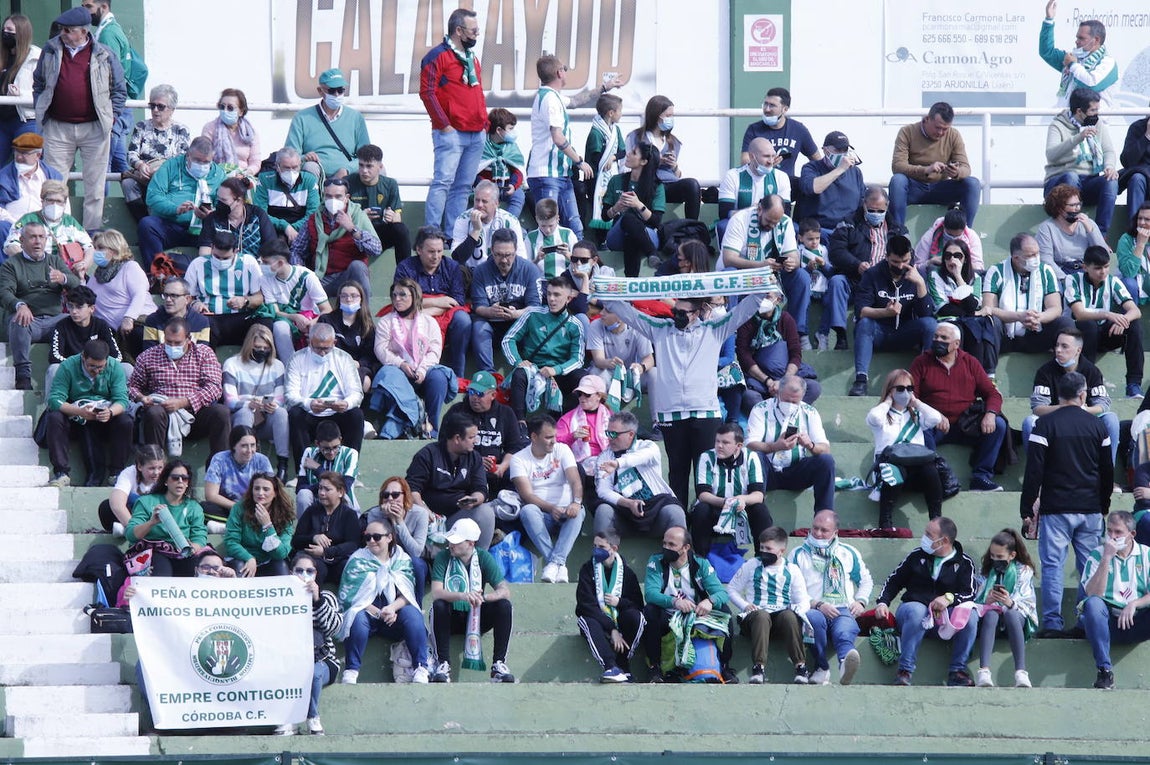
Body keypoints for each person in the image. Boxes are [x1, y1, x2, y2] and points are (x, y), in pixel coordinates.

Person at [604, 287, 764, 506]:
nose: (677, 316)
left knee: (706, 473)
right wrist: (606, 292)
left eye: (684, 313)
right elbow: (630, 315)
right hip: (671, 415)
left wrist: (764, 287)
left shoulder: (714, 328)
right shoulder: (660, 328)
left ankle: (702, 524)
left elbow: (742, 312)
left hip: (705, 413)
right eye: (676, 311)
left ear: (697, 313)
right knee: (677, 475)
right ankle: (678, 527)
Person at [1020, 372, 1112, 637]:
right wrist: (1103, 504)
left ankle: (1052, 623)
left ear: (1058, 395)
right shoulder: (1097, 425)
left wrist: (1027, 509)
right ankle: (1085, 623)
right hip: (1091, 508)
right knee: (1089, 567)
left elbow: (1033, 472)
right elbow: (1107, 471)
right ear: (1083, 394)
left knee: (1052, 566)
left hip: (1056, 509)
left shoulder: (1045, 424)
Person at [31, 7, 125, 231]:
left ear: (83, 31)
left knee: (95, 183)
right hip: (57, 127)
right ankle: (54, 231)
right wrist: (41, 108)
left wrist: (112, 119)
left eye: (68, 30)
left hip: (94, 127)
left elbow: (119, 91)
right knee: (54, 183)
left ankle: (91, 233)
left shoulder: (105, 54)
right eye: (62, 29)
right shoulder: (51, 49)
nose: (62, 33)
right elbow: (39, 83)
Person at [875, 517, 979, 686]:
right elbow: (894, 580)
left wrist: (948, 598)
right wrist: (883, 602)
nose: (923, 537)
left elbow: (970, 593)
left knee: (971, 616)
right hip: (912, 614)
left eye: (928, 535)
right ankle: (904, 671)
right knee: (917, 611)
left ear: (944, 540)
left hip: (944, 621)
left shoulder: (965, 563)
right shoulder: (916, 556)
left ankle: (958, 671)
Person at [911, 322, 1007, 493]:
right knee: (919, 429)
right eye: (936, 337)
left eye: (944, 338)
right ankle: (935, 477)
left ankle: (981, 477)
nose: (937, 340)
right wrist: (934, 415)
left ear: (956, 344)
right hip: (934, 424)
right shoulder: (921, 362)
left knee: (999, 425)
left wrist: (990, 414)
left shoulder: (970, 362)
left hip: (965, 423)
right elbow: (911, 397)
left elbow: (993, 394)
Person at [527, 55, 617, 237]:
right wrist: (579, 162)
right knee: (549, 227)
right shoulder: (550, 100)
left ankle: (580, 262)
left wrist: (604, 87)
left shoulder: (553, 97)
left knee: (575, 225)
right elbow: (558, 138)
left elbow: (576, 101)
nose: (566, 72)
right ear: (559, 72)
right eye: (564, 69)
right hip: (546, 174)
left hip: (559, 174)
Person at [419, 7, 487, 231]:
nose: (477, 34)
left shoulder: (471, 58)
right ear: (459, 30)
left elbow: (476, 92)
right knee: (442, 183)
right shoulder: (437, 56)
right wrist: (444, 125)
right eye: (473, 31)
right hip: (451, 132)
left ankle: (452, 233)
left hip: (476, 132)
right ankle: (432, 232)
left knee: (463, 187)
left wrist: (484, 122)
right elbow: (427, 93)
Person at [338, 518, 430, 685]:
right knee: (356, 616)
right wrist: (379, 612)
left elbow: (408, 594)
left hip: (394, 617)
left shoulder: (402, 559)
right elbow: (351, 599)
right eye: (367, 537)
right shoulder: (357, 560)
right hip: (370, 615)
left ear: (389, 537)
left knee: (413, 614)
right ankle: (351, 671)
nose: (371, 541)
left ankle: (421, 668)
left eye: (376, 537)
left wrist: (392, 608)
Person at [428, 518, 516, 686]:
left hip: (476, 616)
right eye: (450, 540)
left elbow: (504, 590)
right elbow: (436, 592)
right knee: (438, 605)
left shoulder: (483, 557)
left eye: (456, 541)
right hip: (451, 616)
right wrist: (463, 595)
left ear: (470, 543)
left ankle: (499, 665)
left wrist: (484, 598)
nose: (451, 545)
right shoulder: (443, 557)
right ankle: (443, 664)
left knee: (504, 606)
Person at [848, 235, 937, 397]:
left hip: (905, 331)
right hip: (879, 332)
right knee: (864, 323)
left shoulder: (917, 276)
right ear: (887, 257)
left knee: (930, 325)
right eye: (895, 262)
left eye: (906, 261)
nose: (901, 266)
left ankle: (926, 380)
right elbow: (861, 311)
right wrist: (885, 312)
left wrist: (920, 285)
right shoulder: (872, 274)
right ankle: (861, 381)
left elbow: (927, 314)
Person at [642, 525, 733, 682]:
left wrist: (710, 601)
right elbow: (650, 594)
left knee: (725, 611)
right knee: (650, 611)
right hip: (668, 616)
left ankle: (724, 667)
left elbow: (722, 593)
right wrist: (674, 602)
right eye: (664, 543)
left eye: (671, 545)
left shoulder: (700, 564)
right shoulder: (655, 561)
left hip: (696, 616)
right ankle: (654, 668)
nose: (666, 548)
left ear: (686, 547)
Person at [789, 510, 870, 686]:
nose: (818, 533)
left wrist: (861, 601)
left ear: (835, 532)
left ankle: (845, 665)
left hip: (842, 608)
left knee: (844, 631)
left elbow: (865, 580)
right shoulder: (798, 554)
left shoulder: (848, 552)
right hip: (811, 607)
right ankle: (821, 667)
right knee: (813, 619)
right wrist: (818, 604)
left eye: (824, 530)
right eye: (815, 528)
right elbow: (791, 590)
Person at [1020, 328, 1120, 468]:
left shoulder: (1092, 371)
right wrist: (1066, 408)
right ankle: (1039, 480)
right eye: (1057, 345)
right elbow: (1038, 408)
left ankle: (1107, 478)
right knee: (1029, 422)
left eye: (1064, 346)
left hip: (1085, 423)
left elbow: (1102, 405)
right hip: (1054, 423)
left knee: (1111, 419)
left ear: (1078, 350)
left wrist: (1080, 410)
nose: (1058, 350)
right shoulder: (1045, 372)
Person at [823, 187, 908, 351]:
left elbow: (908, 254)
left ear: (888, 206)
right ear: (863, 204)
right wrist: (857, 264)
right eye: (871, 210)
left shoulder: (899, 230)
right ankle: (840, 334)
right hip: (853, 279)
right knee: (836, 282)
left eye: (880, 210)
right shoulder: (847, 223)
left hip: (882, 283)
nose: (876, 213)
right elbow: (836, 252)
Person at [129, 317, 229, 456]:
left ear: (189, 339)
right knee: (154, 413)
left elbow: (214, 387)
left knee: (221, 412)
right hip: (162, 413)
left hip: (195, 413)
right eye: (169, 342)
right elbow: (132, 386)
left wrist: (184, 402)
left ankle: (219, 466)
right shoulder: (148, 356)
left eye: (177, 343)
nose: (172, 346)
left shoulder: (204, 353)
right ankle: (155, 465)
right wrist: (141, 398)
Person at [370, 278, 456, 438]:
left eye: (403, 295)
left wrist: (422, 370)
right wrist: (401, 364)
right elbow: (381, 349)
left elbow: (434, 350)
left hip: (423, 373)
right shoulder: (385, 322)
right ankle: (416, 421)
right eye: (394, 295)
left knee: (439, 377)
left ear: (415, 297)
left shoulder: (429, 322)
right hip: (399, 373)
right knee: (389, 373)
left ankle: (431, 430)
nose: (397, 299)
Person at [720, 195, 810, 345]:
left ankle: (798, 333)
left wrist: (791, 263)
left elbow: (794, 256)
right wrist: (760, 265)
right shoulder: (740, 219)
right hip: (744, 275)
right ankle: (730, 334)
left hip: (774, 276)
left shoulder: (785, 222)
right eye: (769, 221)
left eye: (776, 223)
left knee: (802, 276)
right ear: (760, 209)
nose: (772, 226)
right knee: (729, 271)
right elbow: (728, 259)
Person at [42, 338, 131, 488]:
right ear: (83, 357)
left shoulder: (115, 367)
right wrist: (78, 411)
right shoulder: (68, 366)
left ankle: (116, 473)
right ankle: (61, 473)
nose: (96, 371)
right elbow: (55, 400)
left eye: (101, 367)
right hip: (75, 415)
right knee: (54, 417)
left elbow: (122, 400)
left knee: (125, 421)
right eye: (92, 366)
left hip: (104, 415)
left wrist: (110, 412)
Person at [982, 233, 1072, 380]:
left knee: (1065, 323)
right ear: (1016, 258)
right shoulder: (996, 271)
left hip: (1035, 333)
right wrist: (1019, 317)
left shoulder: (1046, 271)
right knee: (990, 321)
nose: (1036, 258)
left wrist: (1038, 317)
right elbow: (988, 308)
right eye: (1031, 255)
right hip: (1005, 335)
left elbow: (1055, 308)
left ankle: (1068, 375)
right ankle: (989, 377)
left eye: (1038, 253)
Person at [727, 526, 811, 685]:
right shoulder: (751, 565)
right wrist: (744, 605)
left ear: (782, 551)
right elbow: (732, 589)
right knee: (762, 615)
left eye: (768, 548)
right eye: (761, 547)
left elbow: (803, 600)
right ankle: (758, 668)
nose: (763, 551)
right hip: (754, 619)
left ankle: (800, 667)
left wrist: (799, 609)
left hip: (780, 621)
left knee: (789, 615)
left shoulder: (792, 570)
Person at [1, 221, 79, 389]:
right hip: (28, 321)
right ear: (22, 241)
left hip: (54, 321)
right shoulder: (11, 264)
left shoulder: (55, 261)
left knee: (74, 319)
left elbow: (76, 284)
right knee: (19, 319)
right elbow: (4, 292)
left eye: (41, 237)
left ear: (46, 240)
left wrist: (64, 278)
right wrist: (19, 305)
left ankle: (75, 373)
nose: (37, 241)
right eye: (32, 237)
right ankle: (23, 376)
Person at [1080, 511, 1150, 690]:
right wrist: (1106, 559)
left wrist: (1134, 604)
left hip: (1137, 620)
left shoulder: (1146, 554)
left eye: (1118, 532)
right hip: (1107, 622)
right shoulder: (1097, 554)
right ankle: (1104, 671)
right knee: (1093, 604)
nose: (1112, 537)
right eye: (1109, 531)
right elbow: (1093, 593)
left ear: (1131, 534)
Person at [406, 412, 497, 550]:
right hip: (429, 519)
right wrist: (425, 511)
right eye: (471, 437)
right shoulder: (428, 454)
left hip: (458, 517)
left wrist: (473, 500)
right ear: (457, 439)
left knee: (486, 511)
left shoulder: (474, 457)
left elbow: (481, 490)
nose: (475, 441)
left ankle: (478, 560)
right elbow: (412, 489)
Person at [745, 374, 835, 513]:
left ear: (803, 396)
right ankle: (756, 512)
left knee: (826, 461)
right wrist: (775, 446)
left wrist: (810, 445)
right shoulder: (761, 409)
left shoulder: (810, 412)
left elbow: (825, 449)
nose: (790, 405)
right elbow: (750, 444)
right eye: (787, 400)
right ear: (778, 392)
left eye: (795, 402)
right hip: (768, 471)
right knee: (755, 457)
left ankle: (824, 517)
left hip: (796, 470)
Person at [511, 415, 584, 584]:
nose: (553, 441)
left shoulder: (563, 449)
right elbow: (527, 495)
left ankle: (554, 563)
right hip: (542, 514)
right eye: (548, 437)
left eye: (555, 437)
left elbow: (575, 480)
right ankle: (559, 563)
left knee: (579, 511)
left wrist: (576, 502)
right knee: (528, 510)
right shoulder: (519, 459)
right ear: (534, 437)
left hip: (567, 511)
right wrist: (551, 508)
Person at [867, 369, 944, 529]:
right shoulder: (882, 415)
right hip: (890, 469)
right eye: (900, 389)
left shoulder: (916, 414)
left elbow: (936, 418)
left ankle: (936, 521)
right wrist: (888, 401)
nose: (906, 392)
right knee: (894, 471)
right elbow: (874, 417)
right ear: (890, 390)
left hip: (916, 469)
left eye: (909, 388)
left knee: (930, 469)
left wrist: (916, 402)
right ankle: (885, 523)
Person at [501, 277, 585, 422]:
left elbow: (578, 359)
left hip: (558, 371)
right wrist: (518, 361)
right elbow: (508, 339)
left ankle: (562, 421)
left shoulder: (575, 325)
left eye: (557, 295)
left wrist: (556, 370)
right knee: (520, 373)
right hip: (533, 369)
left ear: (568, 298)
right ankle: (519, 423)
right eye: (549, 294)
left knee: (581, 378)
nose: (552, 299)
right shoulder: (532, 314)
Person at [594, 411, 686, 541]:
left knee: (675, 511)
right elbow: (603, 490)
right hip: (624, 512)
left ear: (631, 434)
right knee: (603, 510)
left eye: (614, 434)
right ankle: (604, 558)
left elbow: (640, 457)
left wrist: (618, 463)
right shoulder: (604, 457)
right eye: (608, 433)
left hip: (656, 510)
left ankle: (681, 558)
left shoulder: (648, 446)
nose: (610, 438)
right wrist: (628, 503)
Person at [138, 137, 226, 270]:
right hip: (172, 225)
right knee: (147, 224)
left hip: (203, 231)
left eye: (206, 162)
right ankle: (157, 275)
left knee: (224, 235)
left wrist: (210, 215)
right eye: (197, 160)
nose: (202, 165)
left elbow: (224, 205)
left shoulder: (218, 174)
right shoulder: (171, 166)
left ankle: (211, 276)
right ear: (188, 155)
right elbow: (153, 196)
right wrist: (175, 209)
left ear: (212, 158)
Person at [394, 226, 471, 378]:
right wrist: (440, 302)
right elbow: (402, 298)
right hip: (415, 311)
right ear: (418, 249)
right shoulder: (405, 267)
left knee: (463, 320)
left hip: (443, 311)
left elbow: (458, 300)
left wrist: (428, 308)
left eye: (440, 251)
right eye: (431, 251)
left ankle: (458, 375)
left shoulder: (452, 266)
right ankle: (415, 372)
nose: (436, 256)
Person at [1067, 245, 1144, 398]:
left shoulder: (1113, 281)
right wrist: (1108, 315)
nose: (1103, 272)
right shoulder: (1072, 279)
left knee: (1133, 324)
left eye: (1107, 266)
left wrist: (1123, 320)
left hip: (1104, 335)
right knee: (1089, 325)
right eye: (1097, 268)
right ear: (1085, 267)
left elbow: (1135, 311)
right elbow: (1079, 313)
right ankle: (1086, 384)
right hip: (1079, 337)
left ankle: (1133, 385)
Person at [285, 322, 365, 469]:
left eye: (326, 349)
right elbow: (290, 395)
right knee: (295, 414)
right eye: (317, 348)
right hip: (309, 413)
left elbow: (356, 393)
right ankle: (302, 470)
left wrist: (346, 403)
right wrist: (308, 403)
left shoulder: (344, 359)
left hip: (338, 412)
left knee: (356, 414)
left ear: (334, 343)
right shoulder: (297, 359)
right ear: (309, 342)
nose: (322, 353)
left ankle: (349, 468)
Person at [888, 102, 980, 228]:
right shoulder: (907, 132)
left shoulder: (953, 135)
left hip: (940, 189)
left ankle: (964, 233)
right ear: (927, 119)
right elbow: (897, 166)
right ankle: (898, 232)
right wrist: (926, 169)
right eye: (938, 127)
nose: (941, 133)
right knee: (897, 181)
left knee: (973, 183)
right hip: (914, 188)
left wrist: (956, 172)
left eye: (945, 129)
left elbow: (966, 168)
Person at [290, 176, 381, 301]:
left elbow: (376, 249)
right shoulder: (314, 218)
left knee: (358, 266)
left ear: (346, 198)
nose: (333, 200)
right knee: (301, 286)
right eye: (328, 196)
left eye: (338, 196)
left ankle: (365, 317)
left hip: (348, 278)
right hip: (322, 277)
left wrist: (352, 229)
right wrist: (301, 272)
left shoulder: (358, 216)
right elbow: (297, 250)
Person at [1044, 87, 1118, 236]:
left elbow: (1109, 151)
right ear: (1079, 112)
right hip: (1060, 182)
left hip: (1089, 181)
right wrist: (1078, 137)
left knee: (1111, 181)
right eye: (1092, 110)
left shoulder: (1097, 124)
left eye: (1097, 109)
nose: (1096, 114)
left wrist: (1109, 167)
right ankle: (1070, 230)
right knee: (1071, 176)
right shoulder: (1058, 125)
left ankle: (1099, 235)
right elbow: (1051, 155)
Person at [282, 551, 341, 735]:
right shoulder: (280, 600)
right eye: (299, 570)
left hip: (324, 660)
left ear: (316, 573)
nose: (304, 574)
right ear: (291, 573)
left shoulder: (327, 597)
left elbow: (334, 629)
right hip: (292, 661)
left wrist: (317, 601)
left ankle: (312, 717)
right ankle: (284, 720)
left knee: (313, 674)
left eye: (309, 571)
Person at [689, 423, 769, 558]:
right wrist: (726, 502)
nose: (719, 446)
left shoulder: (751, 457)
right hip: (716, 507)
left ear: (739, 446)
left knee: (760, 510)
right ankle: (700, 560)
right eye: (717, 441)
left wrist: (741, 499)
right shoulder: (706, 457)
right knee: (701, 509)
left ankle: (762, 558)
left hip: (741, 508)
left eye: (725, 442)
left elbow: (758, 495)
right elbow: (703, 494)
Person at [222, 324, 290, 481]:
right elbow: (230, 401)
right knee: (245, 412)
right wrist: (249, 404)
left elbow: (280, 398)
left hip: (266, 419)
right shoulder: (232, 364)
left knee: (281, 412)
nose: (261, 351)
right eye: (257, 347)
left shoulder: (277, 366)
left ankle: (282, 465)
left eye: (266, 348)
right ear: (249, 345)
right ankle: (240, 463)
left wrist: (272, 405)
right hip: (241, 418)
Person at [443, 371, 527, 497]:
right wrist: (474, 461)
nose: (474, 397)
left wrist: (503, 466)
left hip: (497, 468)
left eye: (480, 394)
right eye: (471, 392)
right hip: (464, 467)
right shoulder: (457, 412)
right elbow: (445, 444)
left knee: (517, 471)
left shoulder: (506, 413)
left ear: (493, 395)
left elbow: (514, 447)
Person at [469, 227, 543, 372]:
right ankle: (488, 374)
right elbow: (478, 306)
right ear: (491, 251)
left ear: (516, 250)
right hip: (491, 323)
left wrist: (516, 314)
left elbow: (535, 307)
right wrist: (491, 311)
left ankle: (532, 371)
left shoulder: (530, 269)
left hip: (519, 322)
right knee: (479, 327)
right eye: (499, 255)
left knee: (536, 325)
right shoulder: (481, 270)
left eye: (508, 255)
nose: (503, 260)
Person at [736, 287, 822, 409]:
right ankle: (769, 419)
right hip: (759, 379)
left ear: (778, 299)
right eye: (760, 296)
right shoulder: (747, 321)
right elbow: (744, 356)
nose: (763, 300)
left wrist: (784, 381)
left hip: (786, 375)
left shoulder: (786, 319)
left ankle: (790, 416)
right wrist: (768, 381)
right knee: (749, 396)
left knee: (813, 388)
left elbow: (795, 354)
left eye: (768, 296)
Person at [575, 531, 645, 683]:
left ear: (614, 548)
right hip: (598, 620)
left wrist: (619, 602)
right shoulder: (587, 570)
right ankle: (610, 666)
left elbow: (638, 604)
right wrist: (612, 629)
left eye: (601, 546)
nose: (596, 550)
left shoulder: (627, 573)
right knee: (586, 621)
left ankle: (623, 664)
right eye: (594, 546)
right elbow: (585, 605)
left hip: (620, 620)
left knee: (636, 617)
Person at [972, 529, 1037, 689]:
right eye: (993, 556)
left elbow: (1026, 600)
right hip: (991, 615)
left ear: (1012, 555)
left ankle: (1021, 672)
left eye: (1000, 557)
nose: (995, 560)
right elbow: (974, 597)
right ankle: (984, 671)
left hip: (1016, 614)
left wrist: (1009, 601)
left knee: (1010, 613)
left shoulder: (1023, 570)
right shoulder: (985, 571)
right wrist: (986, 600)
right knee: (992, 613)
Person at [184, 230, 268, 347]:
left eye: (225, 258)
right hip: (210, 318)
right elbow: (186, 297)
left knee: (265, 320)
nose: (220, 261)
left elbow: (259, 297)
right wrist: (195, 304)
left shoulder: (248, 262)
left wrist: (245, 301)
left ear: (236, 251)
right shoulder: (198, 264)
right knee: (199, 321)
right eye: (217, 257)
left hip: (240, 318)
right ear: (212, 247)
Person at [124, 460, 208, 577]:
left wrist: (193, 547)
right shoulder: (146, 502)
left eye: (184, 478)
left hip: (182, 552)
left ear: (188, 482)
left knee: (195, 567)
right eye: (175, 478)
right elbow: (130, 535)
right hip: (153, 552)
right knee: (161, 571)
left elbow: (200, 536)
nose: (180, 481)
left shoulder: (194, 507)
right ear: (166, 481)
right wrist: (151, 522)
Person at [923, 240, 996, 371]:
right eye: (948, 256)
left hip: (968, 321)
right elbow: (943, 308)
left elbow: (972, 304)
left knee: (976, 329)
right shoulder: (935, 275)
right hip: (946, 320)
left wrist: (958, 277)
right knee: (958, 329)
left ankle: (979, 376)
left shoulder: (976, 278)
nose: (952, 259)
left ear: (965, 259)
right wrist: (971, 312)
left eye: (958, 256)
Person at [285, 68, 370, 180]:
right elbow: (290, 155)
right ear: (320, 91)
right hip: (316, 173)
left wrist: (346, 169)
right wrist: (305, 158)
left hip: (348, 176)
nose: (337, 95)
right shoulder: (302, 118)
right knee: (310, 167)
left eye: (341, 90)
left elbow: (366, 155)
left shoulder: (356, 117)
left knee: (378, 171)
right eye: (331, 91)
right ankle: (314, 197)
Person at [625, 95, 699, 222]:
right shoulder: (635, 137)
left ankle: (692, 227)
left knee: (692, 184)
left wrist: (674, 166)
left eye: (672, 116)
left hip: (670, 183)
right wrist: (655, 161)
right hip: (649, 183)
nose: (671, 119)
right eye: (668, 116)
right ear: (656, 115)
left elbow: (677, 174)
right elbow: (627, 164)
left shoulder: (674, 142)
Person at [122, 84, 189, 222]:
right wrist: (140, 165)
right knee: (128, 183)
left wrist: (161, 170)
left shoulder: (181, 130)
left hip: (168, 177)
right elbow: (131, 154)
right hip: (144, 174)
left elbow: (183, 158)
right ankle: (143, 222)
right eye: (152, 106)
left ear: (171, 109)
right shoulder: (141, 126)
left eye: (161, 106)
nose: (155, 110)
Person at [259, 238, 331, 368]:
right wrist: (294, 317)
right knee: (279, 326)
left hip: (311, 320)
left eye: (265, 263)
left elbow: (327, 309)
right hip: (287, 319)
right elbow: (275, 312)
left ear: (280, 263)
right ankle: (291, 368)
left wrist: (311, 323)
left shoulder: (306, 276)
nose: (262, 266)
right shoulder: (265, 279)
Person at [86, 229, 154, 356]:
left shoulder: (130, 267)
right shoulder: (97, 275)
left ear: (114, 250)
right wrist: (79, 277)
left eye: (100, 248)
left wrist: (129, 318)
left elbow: (140, 294)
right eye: (95, 248)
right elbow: (86, 298)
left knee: (138, 335)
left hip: (139, 322)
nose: (96, 252)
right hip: (114, 331)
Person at [3, 179, 92, 275]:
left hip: (65, 275)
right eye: (50, 200)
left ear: (65, 203)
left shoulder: (71, 222)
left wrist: (84, 264)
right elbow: (10, 246)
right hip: (34, 274)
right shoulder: (27, 220)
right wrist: (32, 264)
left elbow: (89, 247)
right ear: (42, 201)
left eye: (59, 201)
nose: (54, 205)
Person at [45, 284, 123, 395]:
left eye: (79, 307)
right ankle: (52, 409)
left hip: (100, 370)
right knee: (53, 369)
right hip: (72, 372)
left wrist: (98, 366)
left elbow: (117, 356)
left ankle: (124, 407)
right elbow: (54, 356)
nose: (74, 311)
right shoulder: (62, 326)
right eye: (70, 306)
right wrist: (83, 366)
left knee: (127, 368)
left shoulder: (101, 325)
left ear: (92, 308)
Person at [363, 477, 429, 604]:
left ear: (405, 496)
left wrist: (399, 521)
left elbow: (416, 551)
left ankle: (417, 605)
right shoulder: (375, 514)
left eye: (395, 495)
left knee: (417, 563)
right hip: (386, 558)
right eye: (386, 495)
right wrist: (388, 520)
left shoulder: (420, 514)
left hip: (410, 559)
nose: (390, 499)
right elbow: (376, 548)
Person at [1039, 1, 1117, 109]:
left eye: (1081, 38)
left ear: (1096, 40)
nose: (1076, 41)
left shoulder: (1108, 62)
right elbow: (1047, 52)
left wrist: (1072, 65)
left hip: (1093, 123)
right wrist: (1049, 20)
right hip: (1066, 121)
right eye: (1077, 37)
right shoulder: (1073, 57)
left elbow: (1092, 86)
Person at [601, 142, 663, 278]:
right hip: (617, 234)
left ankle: (631, 282)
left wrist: (638, 205)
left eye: (634, 152)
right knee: (627, 220)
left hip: (648, 233)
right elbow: (605, 217)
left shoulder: (656, 186)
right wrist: (616, 208)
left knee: (632, 233)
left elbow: (656, 222)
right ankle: (652, 253)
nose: (627, 154)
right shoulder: (616, 180)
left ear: (644, 161)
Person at [291, 471, 361, 585]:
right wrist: (313, 538)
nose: (322, 493)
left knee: (349, 569)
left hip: (339, 559)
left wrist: (326, 552)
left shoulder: (349, 514)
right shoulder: (311, 511)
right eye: (320, 488)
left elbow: (353, 544)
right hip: (314, 560)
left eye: (327, 489)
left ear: (340, 492)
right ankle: (314, 601)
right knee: (315, 568)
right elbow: (295, 541)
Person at [717, 138, 790, 245]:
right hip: (741, 223)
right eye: (766, 156)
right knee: (723, 225)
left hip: (771, 222)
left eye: (773, 156)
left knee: (793, 227)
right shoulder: (733, 176)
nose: (771, 161)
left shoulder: (781, 177)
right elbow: (725, 213)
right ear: (752, 156)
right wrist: (754, 212)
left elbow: (786, 213)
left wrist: (765, 215)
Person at [739, 87, 822, 180]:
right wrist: (763, 165)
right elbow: (744, 161)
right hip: (758, 182)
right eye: (765, 104)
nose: (767, 109)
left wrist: (809, 178)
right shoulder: (754, 129)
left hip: (788, 184)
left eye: (772, 105)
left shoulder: (798, 130)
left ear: (785, 109)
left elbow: (817, 160)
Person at [223, 472, 295, 577]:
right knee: (240, 567)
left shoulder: (284, 513)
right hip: (243, 559)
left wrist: (267, 526)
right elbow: (231, 542)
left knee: (281, 566)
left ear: (275, 493)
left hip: (269, 560)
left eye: (266, 489)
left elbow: (281, 553)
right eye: (256, 488)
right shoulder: (239, 508)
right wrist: (249, 558)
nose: (260, 493)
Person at [201, 425, 274, 527]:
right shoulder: (220, 459)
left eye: (253, 445)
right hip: (229, 507)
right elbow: (211, 495)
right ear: (234, 446)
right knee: (202, 508)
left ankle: (229, 527)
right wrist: (238, 507)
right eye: (244, 446)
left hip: (255, 508)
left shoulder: (262, 461)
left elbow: (271, 491)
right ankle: (238, 526)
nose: (249, 450)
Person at [347, 144, 408, 265]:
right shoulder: (348, 182)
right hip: (355, 232)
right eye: (361, 165)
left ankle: (405, 276)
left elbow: (397, 217)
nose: (364, 170)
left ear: (380, 167)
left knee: (401, 229)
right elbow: (338, 216)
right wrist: (361, 218)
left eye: (369, 166)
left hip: (380, 233)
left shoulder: (390, 184)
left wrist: (391, 217)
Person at [0, 132, 62, 246]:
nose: (19, 157)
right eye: (16, 152)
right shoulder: (3, 177)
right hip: (12, 227)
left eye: (24, 153)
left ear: (38, 155)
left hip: (45, 228)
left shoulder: (52, 176)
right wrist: (17, 224)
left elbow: (62, 204)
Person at [1035, 183, 1108, 280]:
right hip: (1061, 273)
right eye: (1073, 205)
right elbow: (1046, 260)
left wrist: (1091, 231)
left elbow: (1104, 256)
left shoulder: (1088, 223)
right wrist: (1065, 280)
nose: (1077, 208)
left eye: (1079, 204)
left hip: (1087, 272)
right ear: (1059, 208)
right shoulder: (1047, 228)